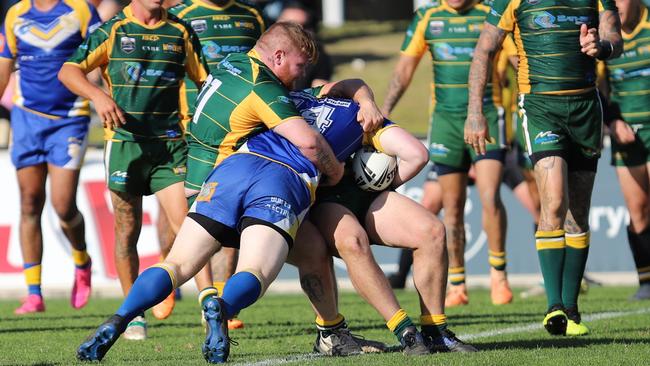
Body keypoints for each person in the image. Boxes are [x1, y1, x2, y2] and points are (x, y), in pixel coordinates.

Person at [74, 22, 381, 363]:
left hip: (210, 184)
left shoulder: (232, 63)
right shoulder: (265, 87)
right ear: (278, 56)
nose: (300, 76)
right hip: (261, 182)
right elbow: (309, 142)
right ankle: (223, 307)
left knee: (181, 264)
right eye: (298, 66)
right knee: (256, 271)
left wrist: (363, 97)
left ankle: (119, 318)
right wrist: (336, 173)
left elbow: (341, 87)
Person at [465, 0, 622, 336]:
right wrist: (475, 112)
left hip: (585, 109)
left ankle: (571, 309)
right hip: (540, 107)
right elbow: (483, 51)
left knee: (578, 213)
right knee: (553, 202)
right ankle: (554, 307)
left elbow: (615, 41)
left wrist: (601, 46)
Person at [58, 0, 209, 340]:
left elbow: (205, 81)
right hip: (125, 145)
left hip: (170, 144)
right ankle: (134, 312)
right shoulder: (113, 30)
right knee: (128, 231)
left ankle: (209, 305)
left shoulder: (180, 31)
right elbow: (68, 70)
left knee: (190, 225)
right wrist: (98, 97)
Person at [382, 0, 516, 307]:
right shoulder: (428, 17)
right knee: (452, 207)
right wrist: (384, 111)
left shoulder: (491, 14)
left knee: (489, 196)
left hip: (486, 116)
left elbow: (517, 60)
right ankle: (458, 283)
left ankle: (499, 275)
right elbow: (404, 70)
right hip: (445, 122)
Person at [169, 0, 266, 328]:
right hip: (193, 130)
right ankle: (180, 273)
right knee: (189, 214)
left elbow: (265, 70)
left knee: (233, 213)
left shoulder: (250, 16)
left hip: (243, 130)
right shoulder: (182, 16)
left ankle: (221, 298)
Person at [1, 0, 101, 315]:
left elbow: (104, 59)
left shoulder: (81, 10)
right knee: (29, 202)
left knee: (62, 205)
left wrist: (105, 95)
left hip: (69, 119)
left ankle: (82, 261)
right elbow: (4, 68)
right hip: (27, 119)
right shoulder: (16, 14)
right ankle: (34, 293)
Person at [601, 0, 650, 300]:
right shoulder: (604, 31)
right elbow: (596, 86)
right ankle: (646, 281)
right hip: (626, 135)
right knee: (639, 211)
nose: (614, 5)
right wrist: (612, 121)